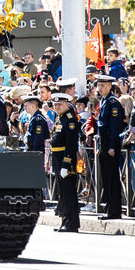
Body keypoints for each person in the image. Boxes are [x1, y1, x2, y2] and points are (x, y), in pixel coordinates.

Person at [50, 92, 82, 232]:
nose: (57, 106)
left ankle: (72, 223)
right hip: (58, 158)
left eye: (60, 104)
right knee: (62, 192)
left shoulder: (69, 120)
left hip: (65, 159)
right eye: (55, 104)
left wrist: (66, 164)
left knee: (69, 192)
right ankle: (65, 220)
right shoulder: (60, 118)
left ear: (67, 104)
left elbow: (70, 144)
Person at [96, 75, 124, 220]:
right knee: (106, 177)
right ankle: (109, 207)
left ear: (109, 86)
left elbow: (114, 126)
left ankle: (114, 210)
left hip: (110, 142)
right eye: (98, 85)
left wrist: (112, 146)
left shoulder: (113, 102)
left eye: (102, 85)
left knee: (112, 177)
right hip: (103, 142)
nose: (99, 88)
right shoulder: (104, 101)